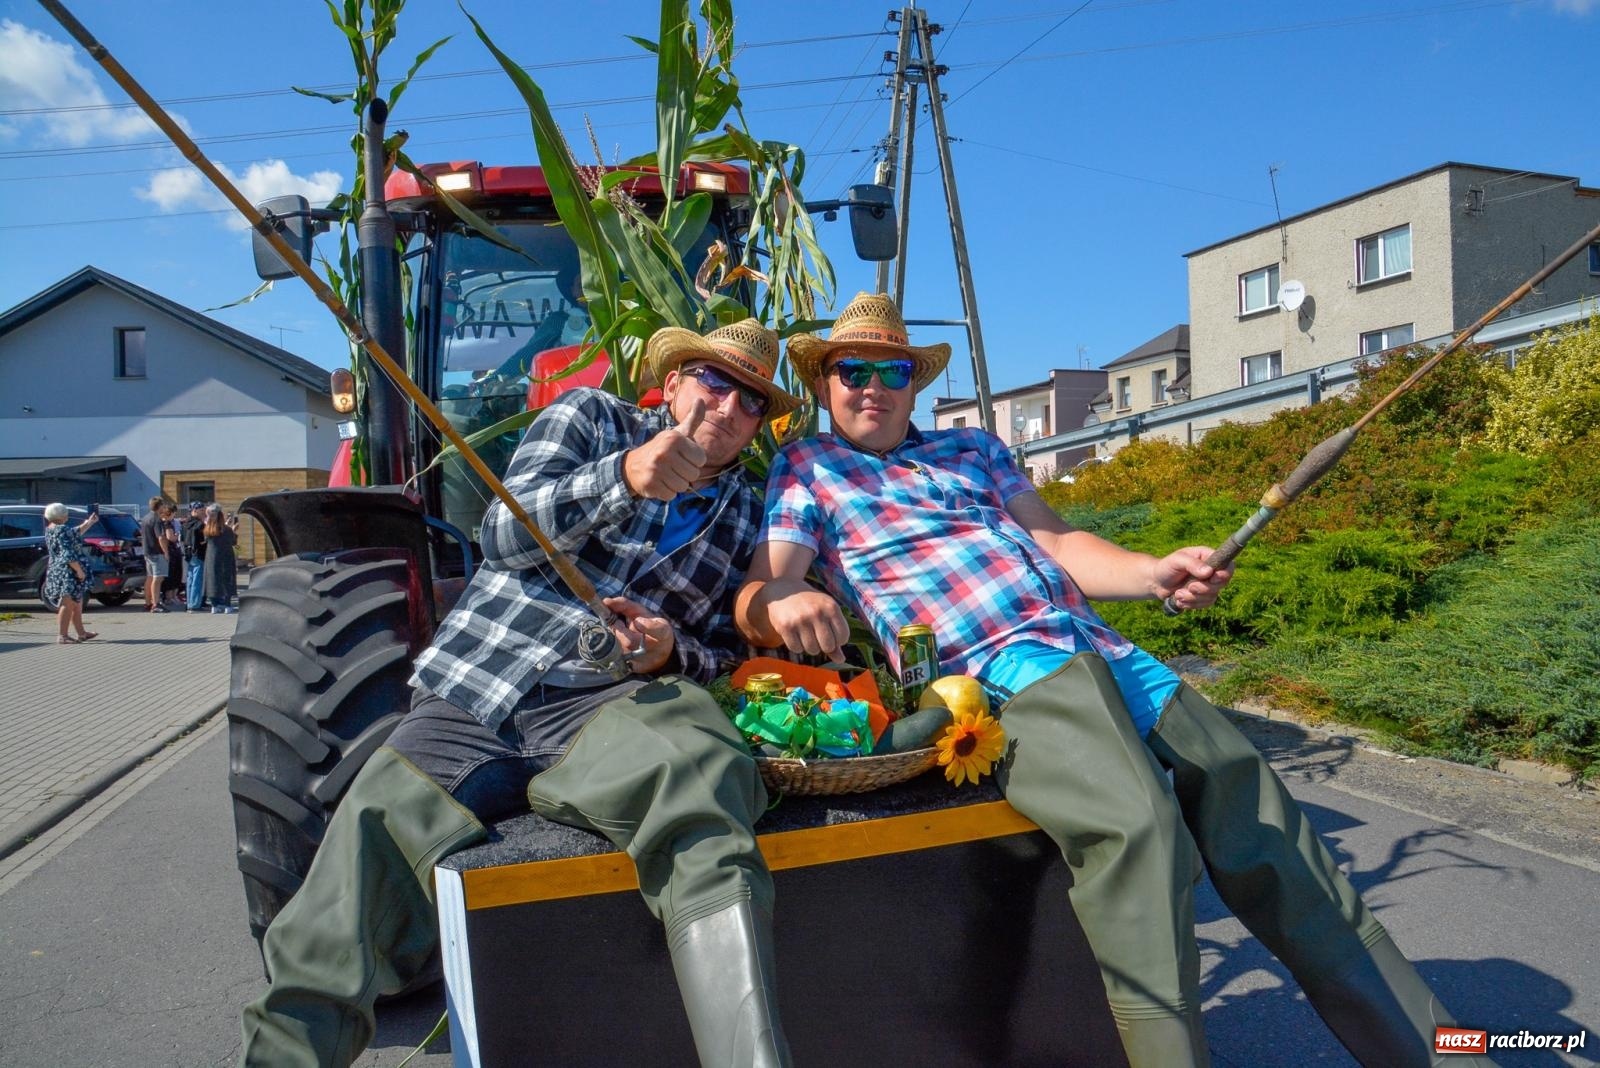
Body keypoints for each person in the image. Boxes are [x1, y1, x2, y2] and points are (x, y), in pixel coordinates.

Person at [735, 292, 1484, 1068]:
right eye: (849, 369)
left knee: (1262, 813)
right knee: (1140, 830)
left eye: (890, 368)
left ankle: (1442, 1056)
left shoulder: (974, 450)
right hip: (995, 664)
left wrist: (1155, 573)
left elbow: (1059, 541)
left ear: (914, 382)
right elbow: (761, 588)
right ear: (824, 383)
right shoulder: (809, 468)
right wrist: (784, 598)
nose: (870, 384)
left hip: (1098, 647)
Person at [239, 319, 804, 1068]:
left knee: (703, 781)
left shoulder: (746, 511)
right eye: (715, 381)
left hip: (611, 705)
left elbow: (727, 648)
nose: (729, 407)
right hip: (481, 689)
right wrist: (621, 477)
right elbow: (503, 531)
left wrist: (671, 651)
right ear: (672, 384)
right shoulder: (588, 418)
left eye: (753, 402)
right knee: (357, 856)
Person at [43, 503, 99, 644]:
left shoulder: (51, 528)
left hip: (58, 569)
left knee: (77, 602)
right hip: (68, 571)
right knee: (67, 603)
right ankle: (62, 635)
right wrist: (79, 570)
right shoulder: (62, 529)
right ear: (61, 516)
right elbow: (67, 554)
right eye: (66, 513)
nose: (67, 515)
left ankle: (81, 633)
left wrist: (89, 523)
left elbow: (75, 532)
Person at [139, 495, 173, 613]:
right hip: (156, 552)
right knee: (157, 578)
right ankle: (155, 604)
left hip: (147, 551)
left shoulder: (145, 518)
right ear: (160, 506)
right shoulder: (157, 519)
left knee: (150, 578)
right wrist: (166, 552)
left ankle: (147, 602)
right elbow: (161, 537)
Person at [202, 505, 239, 613]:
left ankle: (214, 606)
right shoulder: (227, 530)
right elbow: (233, 542)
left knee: (212, 580)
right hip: (226, 556)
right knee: (227, 579)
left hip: (211, 557)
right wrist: (234, 531)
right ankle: (227, 605)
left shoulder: (207, 529)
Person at [181, 501, 207, 612]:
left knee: (190, 579)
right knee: (197, 580)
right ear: (194, 510)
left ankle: (190, 603)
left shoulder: (185, 524)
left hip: (188, 554)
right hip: (198, 553)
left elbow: (182, 539)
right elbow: (201, 541)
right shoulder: (199, 525)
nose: (203, 513)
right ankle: (195, 605)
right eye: (201, 511)